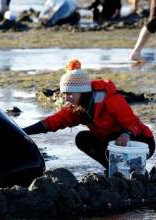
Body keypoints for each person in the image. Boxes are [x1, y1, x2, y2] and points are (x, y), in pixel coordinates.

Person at [23, 59, 155, 171]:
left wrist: (126, 134)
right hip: (113, 144)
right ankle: (112, 169)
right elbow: (51, 123)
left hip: (141, 143)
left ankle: (126, 172)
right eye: (64, 94)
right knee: (82, 138)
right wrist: (22, 132)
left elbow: (133, 123)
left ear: (83, 92)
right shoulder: (76, 108)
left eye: (70, 94)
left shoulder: (112, 100)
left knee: (112, 141)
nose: (66, 98)